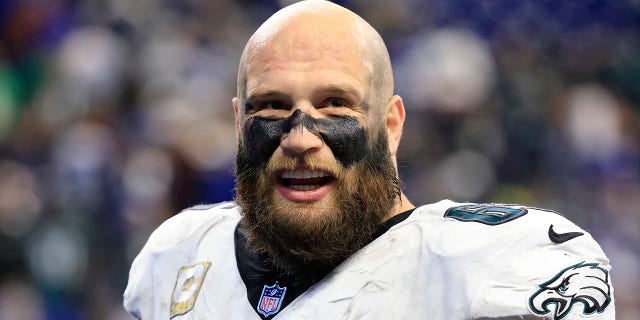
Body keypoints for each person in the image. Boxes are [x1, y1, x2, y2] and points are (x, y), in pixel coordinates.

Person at [123, 1, 615, 319]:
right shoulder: (178, 257)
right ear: (238, 125)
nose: (299, 137)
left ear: (391, 125)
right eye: (270, 106)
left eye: (335, 104)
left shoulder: (501, 265)